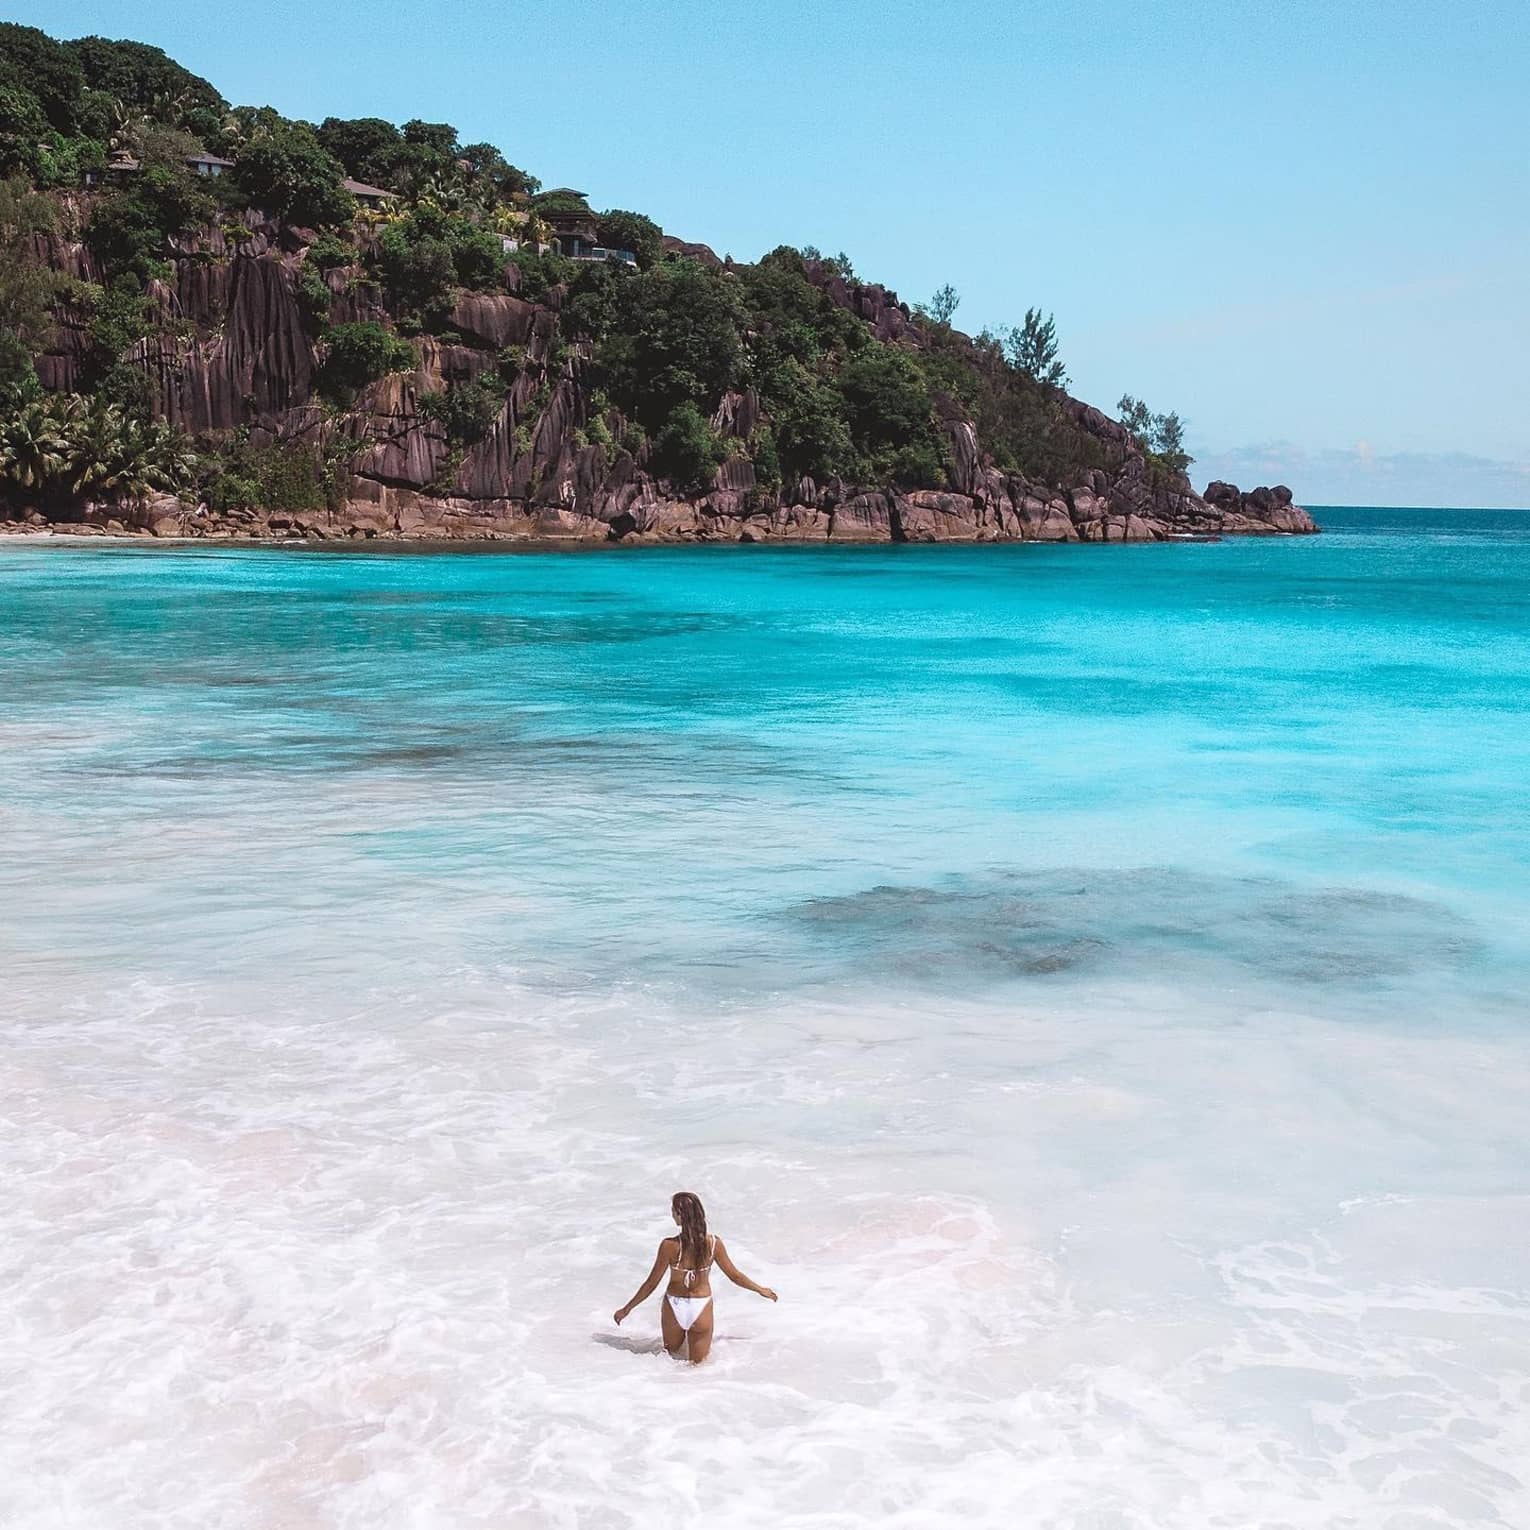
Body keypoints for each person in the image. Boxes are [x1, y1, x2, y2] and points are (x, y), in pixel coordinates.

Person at [613, 1191, 777, 1363]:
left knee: (669, 1361)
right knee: (697, 1369)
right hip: (701, 1307)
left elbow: (651, 1284)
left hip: (673, 1307)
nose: (671, 1214)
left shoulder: (669, 1246)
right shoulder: (714, 1244)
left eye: (673, 1210)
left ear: (679, 1215)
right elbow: (734, 1276)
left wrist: (627, 1309)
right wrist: (760, 1289)